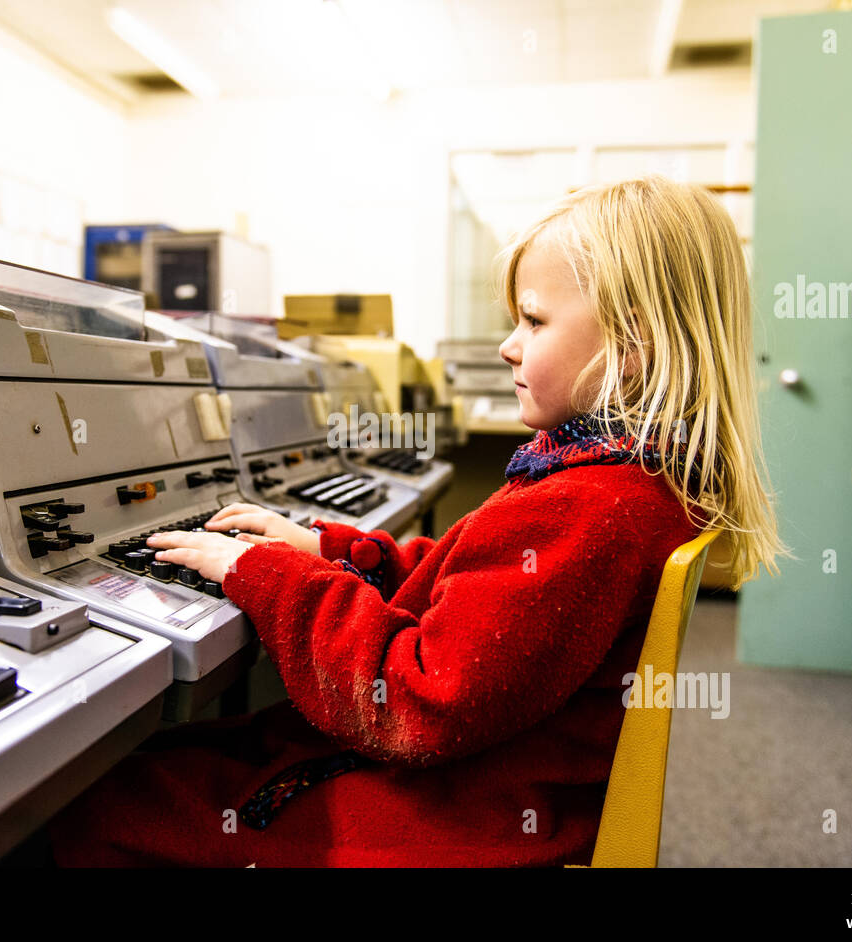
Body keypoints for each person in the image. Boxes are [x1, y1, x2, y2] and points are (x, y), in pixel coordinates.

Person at [45, 175, 786, 867]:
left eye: (533, 319)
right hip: (484, 795)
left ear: (633, 346)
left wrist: (273, 577)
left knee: (102, 809)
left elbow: (414, 701)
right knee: (177, 762)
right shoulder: (621, 481)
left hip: (445, 824)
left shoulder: (590, 508)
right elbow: (480, 593)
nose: (509, 344)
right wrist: (335, 549)